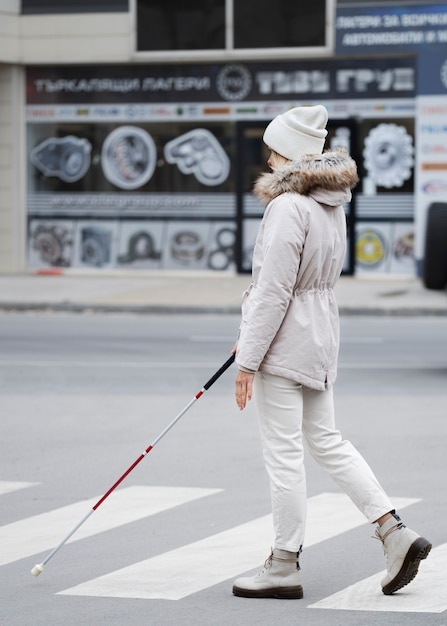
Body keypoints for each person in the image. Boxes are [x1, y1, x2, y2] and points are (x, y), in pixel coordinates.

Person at [231, 105, 431, 600]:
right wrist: (251, 331)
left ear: (286, 152)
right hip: (316, 338)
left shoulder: (286, 207)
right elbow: (301, 287)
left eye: (272, 149)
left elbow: (275, 290)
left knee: (284, 456)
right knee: (328, 441)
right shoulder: (330, 203)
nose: (269, 158)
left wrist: (247, 360)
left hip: (283, 345)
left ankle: (282, 565)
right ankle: (394, 532)